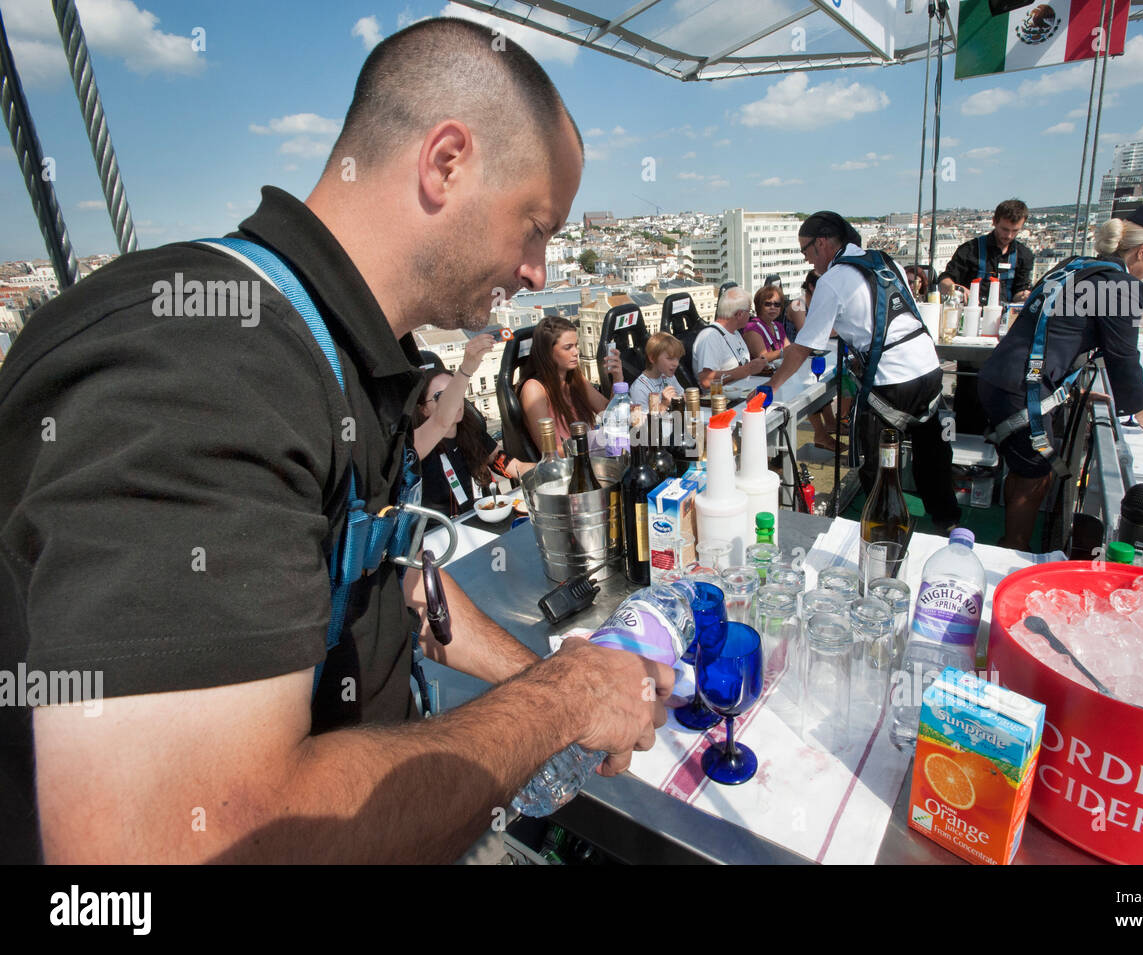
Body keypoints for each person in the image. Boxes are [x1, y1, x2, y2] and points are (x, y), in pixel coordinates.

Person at [0, 17, 673, 865]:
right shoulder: (203, 365)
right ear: (446, 162)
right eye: (536, 225)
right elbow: (165, 845)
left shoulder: (346, 353)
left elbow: (386, 573)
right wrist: (561, 701)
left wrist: (539, 677)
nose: (539, 271)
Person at [978, 201, 1143, 550]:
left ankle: (1010, 540)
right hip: (1025, 390)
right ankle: (1014, 550)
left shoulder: (1075, 266)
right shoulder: (1121, 285)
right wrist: (1138, 407)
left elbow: (1053, 328)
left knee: (1025, 467)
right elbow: (1123, 354)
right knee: (1035, 476)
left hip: (1003, 377)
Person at [760, 211, 961, 530]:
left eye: (806, 252)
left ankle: (884, 536)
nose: (809, 261)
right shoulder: (884, 261)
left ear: (821, 244)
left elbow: (802, 347)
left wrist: (771, 385)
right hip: (928, 369)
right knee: (932, 456)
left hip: (891, 383)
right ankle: (949, 524)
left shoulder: (832, 280)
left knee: (877, 468)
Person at [416, 357, 534, 517]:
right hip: (444, 531)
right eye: (441, 396)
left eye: (455, 392)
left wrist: (547, 470)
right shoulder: (419, 450)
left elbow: (510, 465)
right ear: (423, 409)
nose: (453, 402)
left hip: (489, 517)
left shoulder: (472, 432)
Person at [517, 314, 621, 455]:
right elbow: (550, 451)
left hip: (592, 457)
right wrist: (599, 441)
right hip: (572, 467)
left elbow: (609, 414)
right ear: (548, 352)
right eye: (568, 347)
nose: (576, 352)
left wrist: (617, 378)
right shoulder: (534, 390)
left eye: (576, 345)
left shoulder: (574, 378)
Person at [938, 199, 1035, 305]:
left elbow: (1019, 290)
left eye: (1015, 231)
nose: (1009, 236)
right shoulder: (970, 250)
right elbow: (944, 280)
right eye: (1005, 229)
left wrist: (1024, 296)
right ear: (994, 221)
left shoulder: (1024, 255)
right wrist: (956, 289)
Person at [693, 286, 773, 389]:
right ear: (739, 314)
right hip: (723, 401)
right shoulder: (710, 336)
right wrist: (746, 370)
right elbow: (706, 380)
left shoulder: (735, 333)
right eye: (750, 311)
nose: (751, 316)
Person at [629, 331, 683, 408]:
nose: (676, 363)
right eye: (670, 358)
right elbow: (642, 419)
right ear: (652, 358)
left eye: (678, 358)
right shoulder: (639, 389)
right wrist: (664, 404)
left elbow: (682, 395)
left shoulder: (669, 377)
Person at [743, 285, 788, 362]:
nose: (773, 307)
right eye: (768, 304)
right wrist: (785, 351)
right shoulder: (752, 328)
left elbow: (789, 349)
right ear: (759, 306)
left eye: (777, 304)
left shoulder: (778, 326)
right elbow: (763, 358)